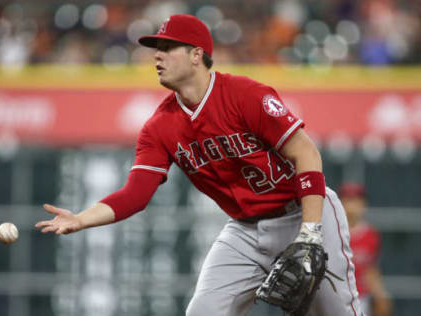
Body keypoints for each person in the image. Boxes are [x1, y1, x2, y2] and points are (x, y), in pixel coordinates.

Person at [36, 14, 362, 316]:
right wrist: (81, 219)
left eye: (167, 47)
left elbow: (307, 154)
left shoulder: (245, 95)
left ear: (196, 55)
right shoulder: (159, 127)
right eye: (156, 49)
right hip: (245, 231)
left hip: (302, 214)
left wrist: (310, 232)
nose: (157, 56)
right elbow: (135, 195)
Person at [338, 182, 392, 316]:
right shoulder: (333, 232)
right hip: (336, 296)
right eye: (348, 200)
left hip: (360, 298)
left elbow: (371, 270)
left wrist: (380, 295)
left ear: (363, 204)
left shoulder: (371, 235)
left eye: (356, 200)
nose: (351, 206)